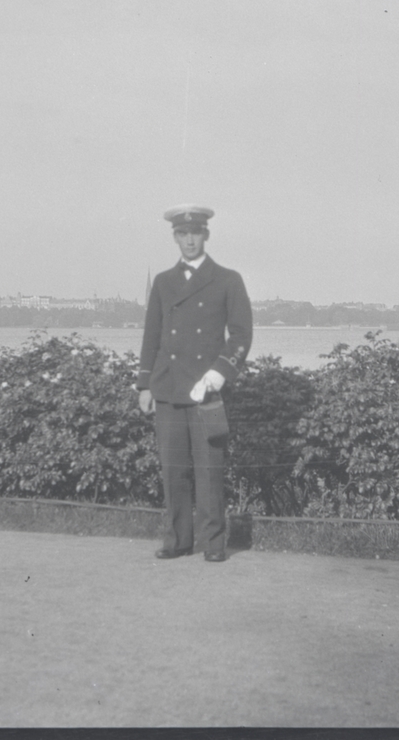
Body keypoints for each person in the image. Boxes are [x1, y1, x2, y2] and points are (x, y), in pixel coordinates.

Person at [137, 204, 252, 562]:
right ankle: (177, 541)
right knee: (173, 471)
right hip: (168, 387)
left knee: (208, 470)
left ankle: (213, 543)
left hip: (206, 389)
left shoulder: (228, 279)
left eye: (195, 233)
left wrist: (217, 373)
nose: (189, 240)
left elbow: (241, 334)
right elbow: (151, 335)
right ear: (175, 237)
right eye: (182, 234)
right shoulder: (163, 282)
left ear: (206, 235)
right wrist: (144, 385)